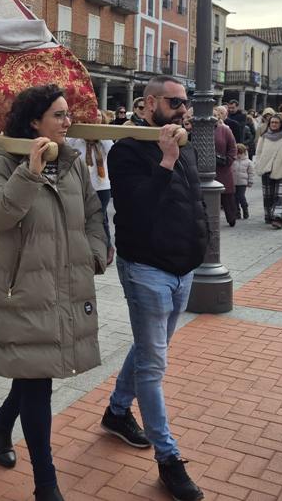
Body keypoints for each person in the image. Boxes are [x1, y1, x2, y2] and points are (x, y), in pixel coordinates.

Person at [0, 85, 107, 501]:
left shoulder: (71, 162)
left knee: (36, 372)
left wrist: (95, 253)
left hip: (67, 286)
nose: (68, 122)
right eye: (59, 115)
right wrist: (28, 173)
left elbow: (93, 213)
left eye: (67, 114)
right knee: (37, 383)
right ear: (34, 121)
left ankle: (0, 425)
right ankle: (46, 485)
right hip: (22, 290)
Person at [101, 75, 207, 501]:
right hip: (146, 269)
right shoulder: (126, 149)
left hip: (183, 268)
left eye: (186, 102)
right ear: (148, 105)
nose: (183, 110)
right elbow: (137, 208)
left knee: (151, 348)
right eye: (174, 102)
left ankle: (115, 411)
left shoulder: (179, 146)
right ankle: (168, 458)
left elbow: (193, 201)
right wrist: (165, 160)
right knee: (154, 366)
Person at [66, 110, 116, 262]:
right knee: (79, 217)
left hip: (102, 186)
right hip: (80, 184)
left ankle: (107, 248)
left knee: (101, 218)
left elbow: (113, 154)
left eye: (98, 116)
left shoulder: (105, 139)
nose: (95, 119)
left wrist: (99, 136)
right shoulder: (78, 139)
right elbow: (67, 149)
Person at [254, 114, 282, 229]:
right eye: (272, 122)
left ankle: (278, 218)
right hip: (266, 169)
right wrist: (259, 164)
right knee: (268, 195)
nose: (274, 124)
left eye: (276, 122)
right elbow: (258, 152)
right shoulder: (264, 137)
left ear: (281, 124)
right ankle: (269, 216)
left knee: (280, 195)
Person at [213, 105, 239, 227]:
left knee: (227, 196)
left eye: (215, 116)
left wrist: (228, 160)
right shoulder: (199, 128)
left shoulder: (225, 129)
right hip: (204, 168)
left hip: (222, 167)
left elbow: (233, 148)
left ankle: (231, 217)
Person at [232, 143, 255, 219]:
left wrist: (250, 181)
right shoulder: (233, 161)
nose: (238, 155)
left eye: (240, 153)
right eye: (237, 153)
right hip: (234, 183)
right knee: (235, 199)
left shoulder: (248, 162)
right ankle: (237, 213)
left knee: (241, 197)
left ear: (244, 153)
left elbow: (251, 173)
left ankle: (245, 209)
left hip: (243, 183)